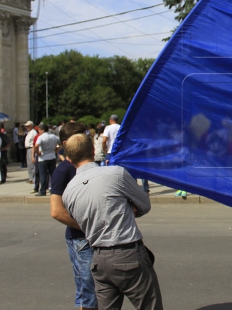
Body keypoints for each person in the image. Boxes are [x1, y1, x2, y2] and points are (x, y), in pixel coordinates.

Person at [63, 134, 163, 310]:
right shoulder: (116, 173)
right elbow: (145, 205)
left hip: (99, 259)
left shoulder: (69, 191)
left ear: (69, 158)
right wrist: (129, 206)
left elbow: (83, 219)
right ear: (94, 150)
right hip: (127, 251)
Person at [50, 122, 97, 310]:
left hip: (92, 236)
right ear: (65, 143)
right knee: (88, 292)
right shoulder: (63, 171)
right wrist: (87, 227)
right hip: (81, 239)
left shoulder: (88, 166)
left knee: (95, 290)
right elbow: (57, 211)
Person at [34, 123, 59, 197]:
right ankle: (54, 189)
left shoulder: (41, 137)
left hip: (43, 157)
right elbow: (60, 144)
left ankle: (42, 190)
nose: (38, 132)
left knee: (43, 175)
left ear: (42, 130)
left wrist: (38, 153)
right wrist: (56, 150)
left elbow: (36, 145)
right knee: (53, 174)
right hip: (52, 156)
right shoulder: (53, 136)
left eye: (39, 130)